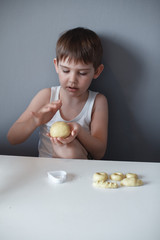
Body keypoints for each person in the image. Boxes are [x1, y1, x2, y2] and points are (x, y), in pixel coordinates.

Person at [7, 27, 108, 160]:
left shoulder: (97, 102)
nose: (72, 80)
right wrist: (35, 120)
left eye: (82, 73)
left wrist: (78, 130)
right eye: (66, 71)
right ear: (56, 65)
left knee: (67, 148)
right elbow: (12, 138)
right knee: (65, 148)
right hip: (47, 172)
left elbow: (99, 153)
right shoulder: (46, 96)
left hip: (80, 171)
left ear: (97, 71)